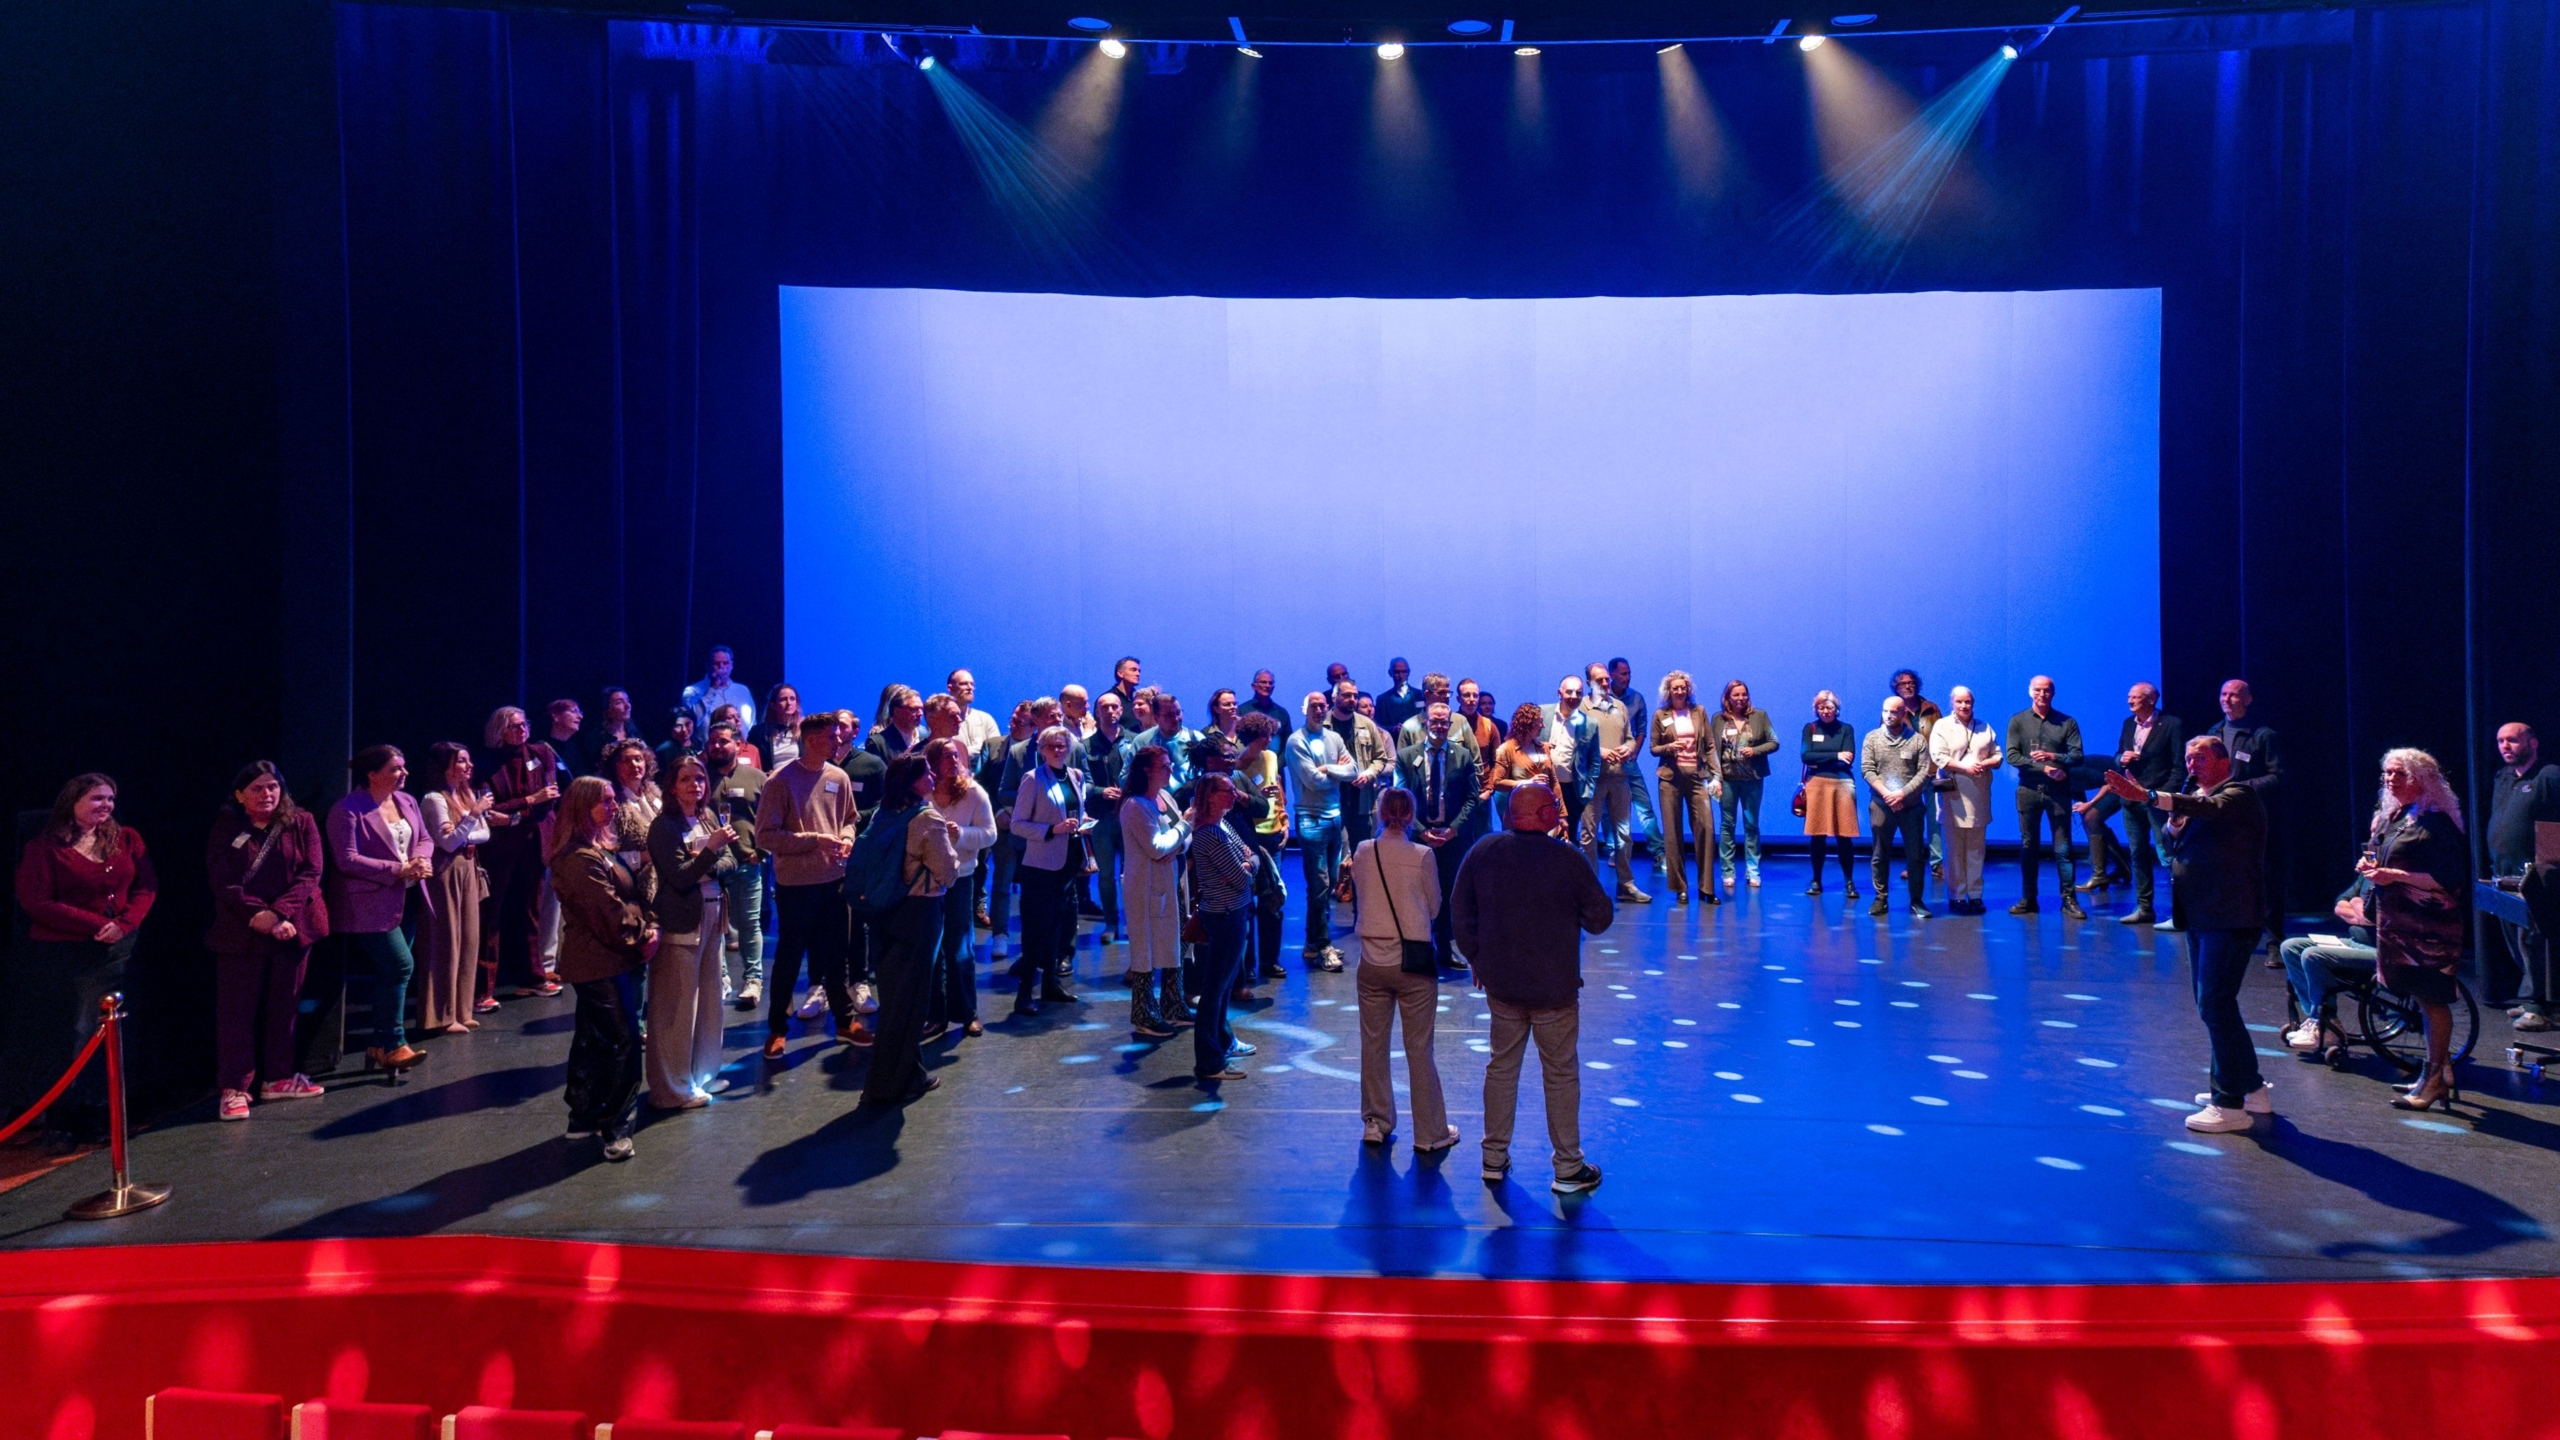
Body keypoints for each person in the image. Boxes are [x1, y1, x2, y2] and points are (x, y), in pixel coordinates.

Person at [2101, 736, 2270, 1132]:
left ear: (2224, 761)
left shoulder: (2237, 794)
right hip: (2201, 915)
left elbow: (2211, 809)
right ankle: (2250, 1087)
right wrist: (2173, 823)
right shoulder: (2196, 797)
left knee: (2215, 1004)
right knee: (2213, 1004)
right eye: (2189, 758)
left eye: (2202, 758)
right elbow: (2175, 840)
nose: (2193, 764)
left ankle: (2228, 1105)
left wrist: (2152, 796)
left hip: (2229, 917)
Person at [1452, 782, 1611, 1194]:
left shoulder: (1483, 852)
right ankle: (1568, 1168)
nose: (1559, 812)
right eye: (1554, 807)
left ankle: (1493, 1158)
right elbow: (1600, 918)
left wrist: (1476, 957)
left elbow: (1459, 908)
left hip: (1502, 985)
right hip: (1554, 989)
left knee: (1501, 1069)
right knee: (1560, 1075)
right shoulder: (1567, 858)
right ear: (1542, 816)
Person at [17, 774, 160, 1144]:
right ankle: (61, 1121)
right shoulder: (44, 848)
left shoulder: (126, 838)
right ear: (72, 802)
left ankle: (102, 1114)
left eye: (110, 799)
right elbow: (37, 902)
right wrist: (99, 925)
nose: (106, 805)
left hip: (119, 951)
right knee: (74, 1035)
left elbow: (146, 886)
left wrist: (124, 924)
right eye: (97, 798)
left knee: (114, 1034)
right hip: (67, 955)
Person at [205, 763, 326, 1120]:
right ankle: (235, 1089)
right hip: (242, 931)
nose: (267, 794)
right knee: (236, 1012)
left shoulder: (301, 821)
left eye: (273, 787)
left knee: (284, 1006)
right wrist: (257, 915)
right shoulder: (227, 827)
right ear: (240, 795)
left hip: (292, 927)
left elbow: (312, 873)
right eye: (257, 788)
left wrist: (280, 915)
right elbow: (222, 880)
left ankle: (278, 1078)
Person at [2359, 749, 2473, 1110]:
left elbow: (2449, 881)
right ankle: (2432, 1075)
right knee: (2423, 1002)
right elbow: (2385, 857)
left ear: (2421, 779)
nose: (2391, 780)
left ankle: (2437, 1078)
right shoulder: (2397, 817)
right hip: (2400, 929)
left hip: (2430, 932)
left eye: (2400, 774)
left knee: (2433, 1001)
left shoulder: (2437, 824)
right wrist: (2372, 865)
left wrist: (2395, 876)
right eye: (2387, 774)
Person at [1350, 787, 1457, 1150]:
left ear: (1380, 814)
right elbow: (1435, 908)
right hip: (1413, 963)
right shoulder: (1423, 855)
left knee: (1373, 1045)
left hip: (1371, 961)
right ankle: (1430, 1134)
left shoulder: (1364, 852)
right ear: (1411, 816)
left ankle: (1375, 1123)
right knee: (1418, 1048)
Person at [550, 775, 650, 1160]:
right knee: (621, 1041)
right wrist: (645, 933)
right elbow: (607, 912)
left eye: (613, 799)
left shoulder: (595, 848)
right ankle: (616, 1128)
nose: (613, 807)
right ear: (582, 806)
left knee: (592, 1038)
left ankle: (585, 1116)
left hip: (603, 958)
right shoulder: (578, 857)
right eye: (604, 801)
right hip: (599, 960)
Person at [643, 755, 750, 1110]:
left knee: (709, 1000)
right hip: (681, 921)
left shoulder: (706, 817)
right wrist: (709, 853)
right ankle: (672, 1088)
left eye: (700, 779)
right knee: (678, 1006)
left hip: (713, 913)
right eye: (687, 779)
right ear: (672, 786)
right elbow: (680, 876)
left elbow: (732, 861)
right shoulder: (664, 827)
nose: (696, 785)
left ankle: (702, 1074)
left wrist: (706, 856)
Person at [757, 712, 864, 1057]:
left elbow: (850, 819)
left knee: (837, 956)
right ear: (811, 740)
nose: (839, 742)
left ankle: (845, 1023)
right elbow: (765, 836)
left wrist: (846, 838)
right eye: (832, 737)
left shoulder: (839, 776)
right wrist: (814, 840)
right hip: (796, 885)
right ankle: (777, 1028)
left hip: (834, 880)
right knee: (789, 957)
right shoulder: (780, 781)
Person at [860, 753, 960, 1107]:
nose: (933, 776)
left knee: (894, 998)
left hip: (885, 911)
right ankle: (890, 1083)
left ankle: (908, 1073)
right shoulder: (926, 817)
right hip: (919, 911)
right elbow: (948, 871)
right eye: (927, 773)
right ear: (913, 781)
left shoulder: (882, 814)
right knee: (912, 1000)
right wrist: (951, 843)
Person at [2075, 683, 2183, 924]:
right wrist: (2120, 758)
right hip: (2130, 797)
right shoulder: (2128, 723)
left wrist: (2162, 796)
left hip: (2156, 799)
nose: (2129, 701)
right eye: (2129, 697)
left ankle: (2180, 912)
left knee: (2167, 855)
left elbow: (2178, 766)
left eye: (2135, 697)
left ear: (2151, 700)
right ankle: (2145, 908)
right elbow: (2117, 756)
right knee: (2138, 853)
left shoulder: (2171, 724)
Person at [1396, 702, 1487, 973]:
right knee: (1416, 896)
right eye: (1434, 722)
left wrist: (1454, 829)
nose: (1438, 726)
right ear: (1425, 723)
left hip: (1452, 838)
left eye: (1443, 722)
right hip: (1417, 837)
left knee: (1448, 895)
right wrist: (1422, 829)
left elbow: (1472, 797)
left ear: (1450, 725)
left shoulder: (1462, 756)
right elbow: (1401, 798)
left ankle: (1445, 951)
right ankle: (1418, 950)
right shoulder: (1406, 756)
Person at [481, 705, 564, 998]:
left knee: (531, 909)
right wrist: (529, 800)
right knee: (492, 911)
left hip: (536, 840)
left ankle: (532, 976)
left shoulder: (541, 753)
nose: (522, 730)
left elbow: (550, 798)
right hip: (501, 847)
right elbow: (488, 809)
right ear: (500, 731)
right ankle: (483, 988)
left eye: (524, 724)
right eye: (514, 726)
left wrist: (516, 812)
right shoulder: (488, 763)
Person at [1009, 725, 1091, 1015]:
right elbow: (1018, 824)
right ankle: (1023, 995)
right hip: (1040, 867)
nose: (1059, 751)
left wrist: (1082, 822)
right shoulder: (1032, 779)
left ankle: (1050, 985)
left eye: (1063, 746)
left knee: (1058, 926)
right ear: (1042, 750)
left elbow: (1073, 812)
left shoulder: (1076, 776)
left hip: (1068, 862)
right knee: (1035, 930)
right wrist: (1052, 829)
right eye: (1053, 746)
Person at [1185, 773, 1259, 1084]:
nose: (1234, 795)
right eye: (1226, 791)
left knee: (1224, 986)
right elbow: (1243, 877)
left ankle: (1224, 1041)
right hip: (1225, 915)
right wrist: (1247, 867)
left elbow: (1251, 855)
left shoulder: (1224, 824)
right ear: (1210, 796)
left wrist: (1248, 864)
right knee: (1214, 991)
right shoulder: (1209, 834)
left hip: (1234, 911)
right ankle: (1209, 1061)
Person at [2201, 679, 2283, 948]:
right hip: (2221, 818)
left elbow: (2277, 777)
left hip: (2254, 818)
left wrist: (2240, 789)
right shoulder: (2214, 733)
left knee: (2264, 878)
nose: (2227, 699)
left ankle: (2274, 942)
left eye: (2234, 695)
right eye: (2223, 694)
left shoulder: (2262, 734)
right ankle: (2233, 936)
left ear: (2247, 700)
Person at [2488, 723, 2560, 1027]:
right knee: (2514, 938)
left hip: (2537, 874)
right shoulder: (2502, 777)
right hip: (2503, 871)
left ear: (2532, 743)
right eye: (2501, 741)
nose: (2506, 746)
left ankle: (2541, 1006)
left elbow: (2555, 825)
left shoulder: (2549, 775)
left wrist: (2545, 864)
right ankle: (2533, 998)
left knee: (2534, 938)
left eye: (2513, 741)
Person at [1117, 744, 1192, 1036]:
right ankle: (1143, 1014)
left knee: (1174, 944)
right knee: (1145, 950)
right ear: (1147, 770)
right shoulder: (1135, 805)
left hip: (1168, 881)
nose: (1170, 769)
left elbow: (1181, 842)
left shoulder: (1164, 797)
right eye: (1164, 765)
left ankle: (1172, 1005)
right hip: (1144, 888)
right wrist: (1179, 833)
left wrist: (1174, 842)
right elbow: (1156, 846)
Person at [925, 736, 996, 1039]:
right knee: (931, 951)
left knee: (960, 948)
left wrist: (962, 834)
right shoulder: (922, 792)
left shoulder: (973, 793)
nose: (953, 762)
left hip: (960, 876)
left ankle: (968, 1012)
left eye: (956, 756)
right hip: (925, 880)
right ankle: (935, 1016)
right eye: (946, 757)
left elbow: (990, 835)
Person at [418, 742, 491, 1033]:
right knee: (445, 941)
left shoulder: (465, 795)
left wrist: (470, 824)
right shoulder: (434, 799)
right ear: (445, 766)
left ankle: (462, 1008)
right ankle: (441, 1015)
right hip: (445, 870)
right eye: (461, 761)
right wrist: (472, 816)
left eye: (468, 760)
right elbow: (447, 842)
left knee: (469, 938)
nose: (469, 766)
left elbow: (485, 834)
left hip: (468, 867)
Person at [2006, 676, 2088, 919]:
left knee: (2063, 848)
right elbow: (2012, 755)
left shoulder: (2066, 722)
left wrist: (2054, 757)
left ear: (2053, 693)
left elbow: (2078, 756)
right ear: (2030, 692)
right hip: (2029, 791)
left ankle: (2069, 899)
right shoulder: (2018, 721)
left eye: (2047, 690)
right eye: (2038, 690)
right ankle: (2029, 898)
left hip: (2058, 792)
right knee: (2029, 846)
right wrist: (2045, 768)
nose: (2042, 694)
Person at [1288, 691, 1359, 965]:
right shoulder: (1297, 742)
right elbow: (1314, 782)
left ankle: (1312, 943)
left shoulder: (1334, 738)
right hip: (1311, 819)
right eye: (1313, 706)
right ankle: (1322, 944)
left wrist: (1326, 769)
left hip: (1334, 817)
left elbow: (1353, 770)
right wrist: (1334, 773)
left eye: (1322, 705)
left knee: (1329, 884)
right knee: (1319, 885)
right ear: (1305, 709)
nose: (1318, 710)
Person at [700, 722, 767, 1009]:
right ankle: (721, 979)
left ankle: (753, 981)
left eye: (723, 741)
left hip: (746, 862)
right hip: (711, 865)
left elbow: (772, 816)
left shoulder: (756, 777)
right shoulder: (700, 778)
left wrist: (761, 852)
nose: (717, 746)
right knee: (716, 927)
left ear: (738, 744)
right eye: (712, 741)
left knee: (749, 924)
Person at [2277, 875, 2381, 1053]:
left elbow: (2375, 916)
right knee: (2290, 947)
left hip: (2382, 951)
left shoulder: (2393, 881)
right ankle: (2317, 1019)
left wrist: (2356, 905)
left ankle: (2327, 1026)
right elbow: (2340, 904)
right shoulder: (2368, 875)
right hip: (2355, 941)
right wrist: (2360, 912)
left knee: (2312, 955)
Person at [1648, 673, 1723, 906]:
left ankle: (1707, 888)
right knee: (1672, 834)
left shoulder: (1699, 712)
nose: (1679, 691)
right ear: (1668, 691)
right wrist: (1670, 746)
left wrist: (1716, 776)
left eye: (1683, 687)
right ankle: (1680, 887)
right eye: (1675, 688)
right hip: (1670, 779)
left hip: (1697, 777)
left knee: (1706, 829)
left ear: (1688, 689)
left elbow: (1710, 746)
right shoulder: (1661, 715)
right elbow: (1653, 748)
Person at [1925, 688, 2000, 914]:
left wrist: (1986, 763)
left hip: (1978, 793)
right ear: (1952, 703)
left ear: (1973, 702)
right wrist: (1965, 766)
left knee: (1976, 849)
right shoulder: (1942, 726)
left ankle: (1975, 894)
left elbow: (1998, 755)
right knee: (1955, 849)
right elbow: (1938, 756)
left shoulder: (1984, 726)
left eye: (1968, 702)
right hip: (1953, 793)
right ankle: (1956, 895)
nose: (1964, 706)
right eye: (1959, 702)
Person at [1579, 663, 1646, 903]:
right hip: (1592, 780)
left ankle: (1626, 885)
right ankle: (1590, 889)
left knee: (1624, 834)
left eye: (1607, 679)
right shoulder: (1582, 707)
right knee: (1588, 835)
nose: (1606, 684)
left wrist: (1627, 749)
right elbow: (1576, 741)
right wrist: (1601, 752)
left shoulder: (1619, 707)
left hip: (1619, 777)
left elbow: (1629, 737)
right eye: (1600, 681)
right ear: (1589, 683)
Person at [1861, 698, 1933, 919]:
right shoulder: (1872, 738)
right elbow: (1867, 769)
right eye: (1885, 711)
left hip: (1910, 807)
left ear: (1903, 714)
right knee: (1880, 853)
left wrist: (1902, 794)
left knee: (1915, 855)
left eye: (1894, 712)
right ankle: (1881, 898)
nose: (1888, 715)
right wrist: (1887, 794)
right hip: (1882, 804)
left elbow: (1923, 772)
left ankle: (1916, 900)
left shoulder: (1917, 740)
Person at [1233, 715, 1292, 981]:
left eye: (1269, 735)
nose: (1268, 740)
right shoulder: (1237, 763)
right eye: (1262, 736)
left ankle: (1270, 960)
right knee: (1247, 905)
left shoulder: (1270, 757)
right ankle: (1247, 966)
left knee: (1272, 900)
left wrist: (1285, 820)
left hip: (1273, 835)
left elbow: (1277, 788)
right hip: (1249, 836)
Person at [1710, 681, 1779, 892]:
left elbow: (1774, 742)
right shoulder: (1718, 719)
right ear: (1728, 697)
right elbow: (1711, 748)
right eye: (1736, 695)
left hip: (1753, 779)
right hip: (1727, 780)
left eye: (1744, 694)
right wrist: (1714, 777)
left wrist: (1756, 750)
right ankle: (1728, 871)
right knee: (1727, 825)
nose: (1741, 698)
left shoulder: (1759, 716)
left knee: (1751, 824)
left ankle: (1753, 870)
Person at [1799, 691, 1861, 899]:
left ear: (1837, 709)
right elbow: (1806, 756)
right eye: (1821, 708)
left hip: (1842, 783)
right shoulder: (1811, 728)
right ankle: (1816, 880)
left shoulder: (1846, 729)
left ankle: (1849, 882)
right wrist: (1835, 755)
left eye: (1829, 707)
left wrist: (1822, 759)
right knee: (1817, 835)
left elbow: (1848, 759)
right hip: (1816, 783)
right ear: (1816, 709)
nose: (1825, 712)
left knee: (1844, 836)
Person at [1081, 691, 1132, 946]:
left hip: (1131, 816)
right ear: (1097, 712)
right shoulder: (1086, 746)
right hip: (1101, 817)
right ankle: (1111, 923)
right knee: (1105, 875)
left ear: (1121, 710)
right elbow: (1081, 783)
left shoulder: (1134, 741)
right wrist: (1102, 791)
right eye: (1105, 707)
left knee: (1132, 874)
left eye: (1115, 707)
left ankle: (1133, 922)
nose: (1111, 711)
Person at [1330, 681, 1397, 853]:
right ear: (1334, 697)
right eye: (1346, 695)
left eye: (1354, 695)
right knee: (1338, 857)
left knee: (1363, 854)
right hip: (1332, 801)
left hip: (1362, 802)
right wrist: (1334, 767)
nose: (1352, 699)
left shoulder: (1367, 724)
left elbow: (1381, 758)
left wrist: (1369, 773)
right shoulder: (1323, 725)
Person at [1892, 669, 1946, 881]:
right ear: (1895, 688)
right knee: (1911, 822)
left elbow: (1942, 736)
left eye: (1911, 682)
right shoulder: (1893, 710)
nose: (1907, 686)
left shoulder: (1931, 708)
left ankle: (1937, 863)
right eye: (1902, 683)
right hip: (1908, 775)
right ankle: (1913, 864)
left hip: (1932, 771)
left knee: (1935, 820)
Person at [1541, 676, 1601, 860]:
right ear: (1559, 693)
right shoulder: (1542, 713)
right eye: (1569, 692)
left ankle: (1565, 885)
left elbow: (1595, 761)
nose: (1574, 696)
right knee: (1542, 837)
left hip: (1572, 790)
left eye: (1578, 692)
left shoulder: (1589, 723)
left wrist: (1587, 791)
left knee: (1569, 839)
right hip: (1544, 787)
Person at [1607, 659, 1660, 859]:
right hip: (1607, 760)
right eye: (1622, 674)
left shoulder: (1636, 698)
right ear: (1612, 675)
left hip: (1628, 760)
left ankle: (1658, 852)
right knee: (1608, 809)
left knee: (1643, 805)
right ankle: (1615, 850)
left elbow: (1641, 730)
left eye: (1629, 673)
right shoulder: (1600, 698)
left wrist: (1634, 752)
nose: (1627, 678)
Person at [602, 739, 662, 898]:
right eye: (626, 761)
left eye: (638, 759)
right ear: (615, 767)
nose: (634, 765)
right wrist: (643, 857)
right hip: (635, 886)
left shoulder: (655, 795)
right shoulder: (612, 804)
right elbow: (606, 857)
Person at [682, 645, 754, 734]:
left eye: (726, 663)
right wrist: (713, 686)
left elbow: (751, 723)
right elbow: (694, 719)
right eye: (717, 664)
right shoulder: (692, 691)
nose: (722, 667)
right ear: (708, 666)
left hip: (741, 746)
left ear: (732, 665)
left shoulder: (742, 690)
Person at [751, 683, 805, 772]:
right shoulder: (759, 732)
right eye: (783, 699)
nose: (789, 703)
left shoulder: (805, 729)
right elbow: (752, 760)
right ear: (773, 705)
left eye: (792, 699)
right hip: (771, 780)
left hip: (799, 780)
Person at [869, 685, 925, 761]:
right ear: (897, 711)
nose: (920, 713)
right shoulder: (878, 743)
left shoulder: (925, 736)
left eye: (921, 708)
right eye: (913, 709)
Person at [1374, 658, 1422, 735]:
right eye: (1397, 672)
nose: (1401, 676)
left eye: (1404, 672)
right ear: (1390, 673)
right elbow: (1378, 725)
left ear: (1409, 673)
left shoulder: (1420, 695)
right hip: (1394, 742)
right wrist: (1393, 728)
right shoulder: (1382, 700)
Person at [1241, 669, 1292, 735]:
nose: (1267, 686)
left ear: (1273, 688)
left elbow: (1287, 742)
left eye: (1270, 683)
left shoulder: (1282, 714)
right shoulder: (1242, 711)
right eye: (1263, 682)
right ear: (1254, 686)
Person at [655, 709, 700, 774]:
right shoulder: (665, 750)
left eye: (687, 724)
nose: (684, 730)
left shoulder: (697, 742)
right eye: (678, 726)